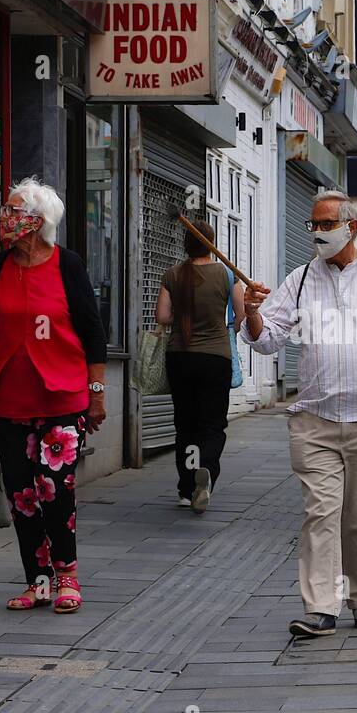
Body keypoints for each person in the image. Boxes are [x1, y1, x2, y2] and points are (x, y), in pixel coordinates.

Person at [243, 191, 357, 638]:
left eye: (327, 224)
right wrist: (250, 311)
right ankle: (321, 606)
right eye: (314, 225)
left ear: (352, 226)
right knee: (321, 513)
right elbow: (267, 339)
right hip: (315, 421)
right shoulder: (302, 279)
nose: (318, 233)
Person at [0, 177, 107, 614]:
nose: (5, 218)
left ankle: (67, 576)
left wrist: (97, 393)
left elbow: (92, 332)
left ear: (38, 221)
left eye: (14, 210)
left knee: (54, 488)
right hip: (9, 399)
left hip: (61, 399)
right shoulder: (1, 265)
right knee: (22, 495)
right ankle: (38, 581)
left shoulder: (69, 266)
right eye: (6, 209)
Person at [154, 220, 244, 513]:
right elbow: (240, 315)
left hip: (179, 356)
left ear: (185, 245)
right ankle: (205, 470)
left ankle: (187, 486)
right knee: (212, 423)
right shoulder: (227, 274)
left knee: (186, 424)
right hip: (215, 357)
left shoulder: (172, 275)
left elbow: (163, 316)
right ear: (212, 244)